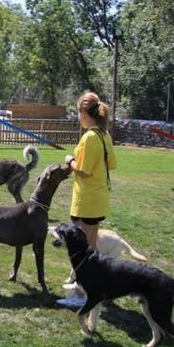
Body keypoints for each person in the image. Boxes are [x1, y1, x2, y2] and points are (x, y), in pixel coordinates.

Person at [57, 92, 117, 308]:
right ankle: (85, 287)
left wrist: (69, 159)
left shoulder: (90, 137)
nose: (77, 117)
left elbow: (82, 171)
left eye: (78, 113)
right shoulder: (104, 135)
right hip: (98, 199)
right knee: (90, 249)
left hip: (87, 201)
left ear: (84, 112)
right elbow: (111, 164)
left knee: (84, 252)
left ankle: (81, 296)